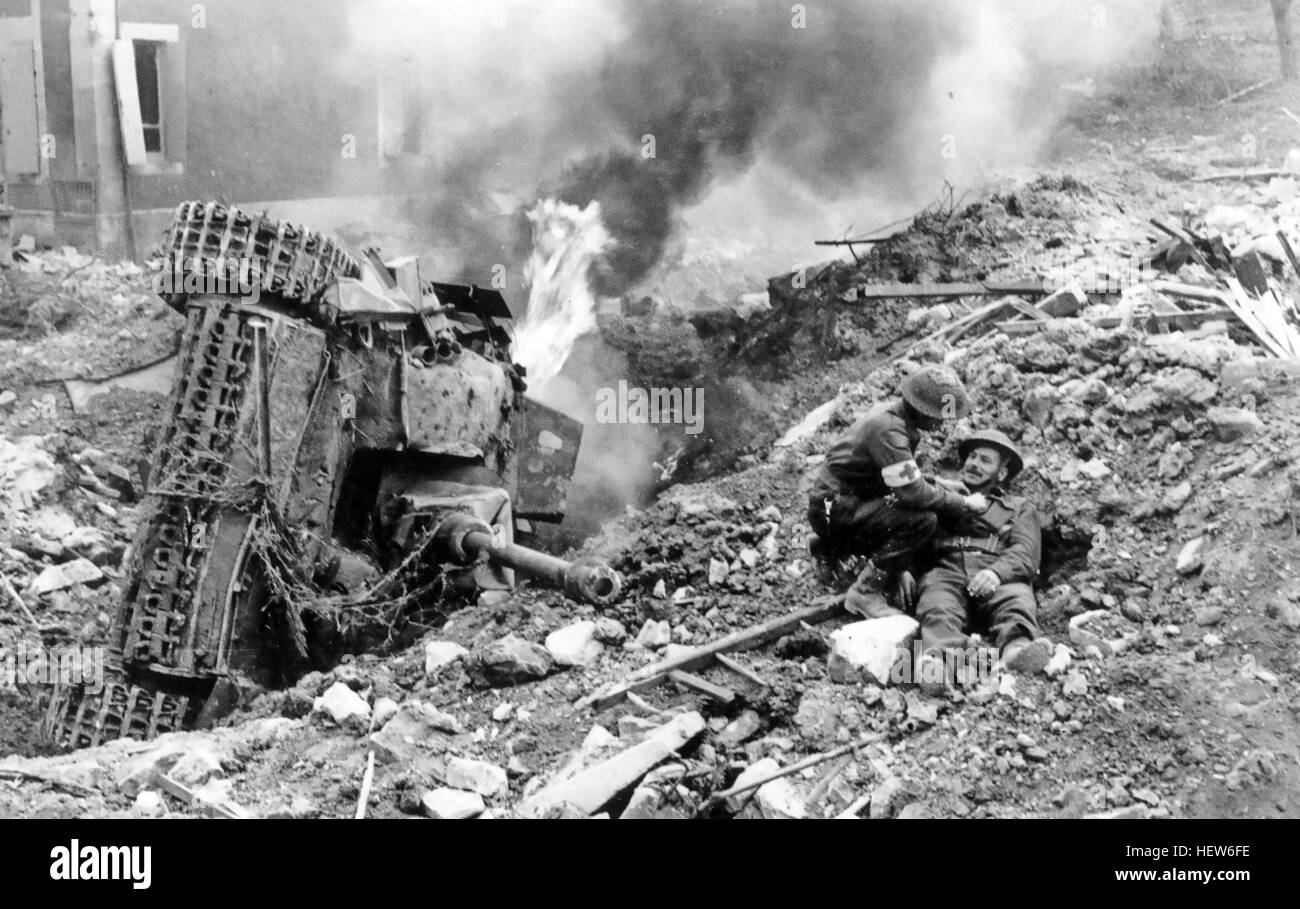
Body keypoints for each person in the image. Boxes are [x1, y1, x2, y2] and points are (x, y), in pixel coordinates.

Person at [807, 364, 986, 618]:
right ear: (921, 410)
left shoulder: (894, 417)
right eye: (938, 415)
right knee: (923, 520)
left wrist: (939, 483)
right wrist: (963, 503)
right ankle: (864, 592)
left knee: (906, 508)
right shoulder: (889, 430)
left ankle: (831, 546)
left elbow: (894, 473)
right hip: (836, 508)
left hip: (839, 501)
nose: (942, 422)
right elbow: (912, 493)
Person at [912, 429, 1052, 694]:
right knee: (937, 605)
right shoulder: (937, 495)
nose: (974, 463)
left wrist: (997, 574)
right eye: (972, 457)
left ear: (1001, 473)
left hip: (996, 571)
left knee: (1017, 600)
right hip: (947, 569)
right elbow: (909, 527)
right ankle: (937, 665)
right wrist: (904, 570)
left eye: (985, 460)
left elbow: (1026, 552)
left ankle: (1017, 652)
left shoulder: (1019, 506)